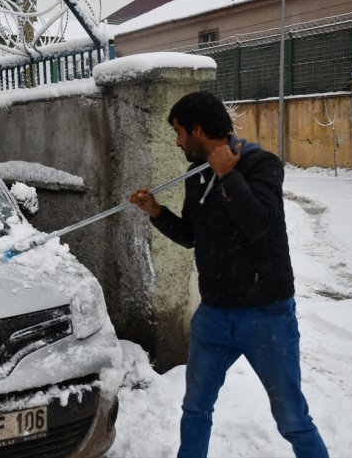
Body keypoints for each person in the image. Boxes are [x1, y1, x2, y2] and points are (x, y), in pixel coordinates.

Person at [129, 91, 328, 458]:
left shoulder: (261, 165)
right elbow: (192, 236)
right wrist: (156, 211)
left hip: (266, 315)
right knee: (195, 408)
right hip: (214, 316)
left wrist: (227, 174)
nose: (177, 142)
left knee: (292, 418)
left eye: (179, 132)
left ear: (198, 130)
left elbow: (259, 223)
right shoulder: (195, 175)